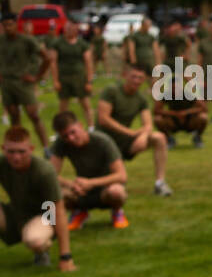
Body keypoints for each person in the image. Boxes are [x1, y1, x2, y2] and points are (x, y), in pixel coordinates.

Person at [0, 126, 74, 270]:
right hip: (16, 212)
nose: (16, 157)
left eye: (21, 151)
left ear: (31, 149)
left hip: (44, 214)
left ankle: (42, 250)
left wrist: (66, 257)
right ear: (3, 148)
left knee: (35, 240)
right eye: (11, 151)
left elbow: (58, 211)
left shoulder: (44, 171)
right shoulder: (2, 164)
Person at [95, 63, 172, 196]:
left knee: (159, 138)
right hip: (103, 142)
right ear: (125, 76)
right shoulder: (111, 91)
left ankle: (160, 184)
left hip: (124, 141)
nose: (136, 81)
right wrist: (130, 133)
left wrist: (143, 136)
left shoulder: (141, 99)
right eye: (133, 77)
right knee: (110, 189)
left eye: (140, 78)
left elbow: (148, 124)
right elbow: (103, 119)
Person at [49, 111, 129, 230]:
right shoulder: (60, 144)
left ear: (81, 126)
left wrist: (90, 183)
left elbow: (122, 176)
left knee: (116, 192)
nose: (70, 138)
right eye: (65, 136)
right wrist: (71, 184)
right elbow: (50, 175)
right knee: (51, 194)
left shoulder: (102, 141)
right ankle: (76, 213)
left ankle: (117, 211)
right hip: (81, 190)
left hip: (105, 189)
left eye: (73, 132)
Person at [1, 13, 52, 154]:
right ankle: (17, 148)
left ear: (16, 24)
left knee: (33, 114)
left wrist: (37, 77)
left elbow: (46, 58)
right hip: (7, 82)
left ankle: (47, 147)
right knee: (14, 117)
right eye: (4, 25)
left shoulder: (26, 40)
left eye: (10, 24)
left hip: (23, 83)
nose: (7, 28)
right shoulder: (1, 40)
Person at [49, 23, 95, 124]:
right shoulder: (57, 43)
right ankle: (62, 128)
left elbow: (88, 62)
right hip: (64, 77)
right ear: (65, 29)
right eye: (68, 28)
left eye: (73, 29)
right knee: (63, 105)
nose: (71, 31)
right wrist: (55, 80)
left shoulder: (82, 44)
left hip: (79, 77)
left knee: (85, 104)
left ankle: (91, 127)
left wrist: (89, 81)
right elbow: (53, 62)